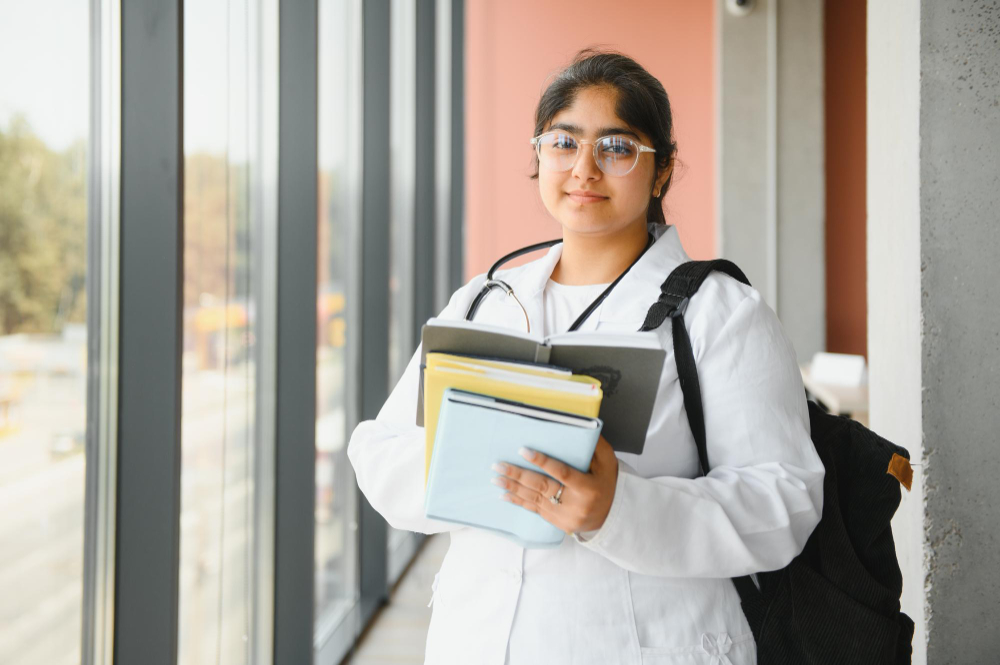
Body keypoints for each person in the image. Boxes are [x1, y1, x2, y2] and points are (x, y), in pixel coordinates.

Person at [348, 49, 824, 665]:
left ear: (662, 170)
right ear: (538, 156)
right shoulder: (484, 300)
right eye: (564, 143)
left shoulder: (722, 313)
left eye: (617, 147)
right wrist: (485, 465)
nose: (584, 169)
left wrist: (616, 508)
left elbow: (784, 500)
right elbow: (380, 451)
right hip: (480, 641)